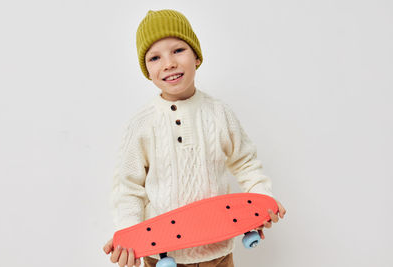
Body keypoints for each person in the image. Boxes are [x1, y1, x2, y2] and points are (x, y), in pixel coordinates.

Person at [103, 9, 286, 267]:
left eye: (178, 50)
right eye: (155, 57)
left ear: (197, 57)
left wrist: (261, 199)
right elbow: (128, 188)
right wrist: (129, 234)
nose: (169, 63)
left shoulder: (219, 113)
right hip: (163, 256)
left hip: (219, 253)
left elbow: (245, 162)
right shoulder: (141, 124)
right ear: (147, 69)